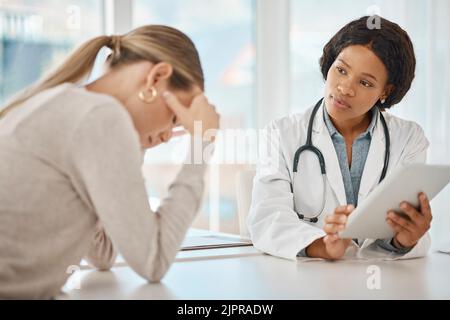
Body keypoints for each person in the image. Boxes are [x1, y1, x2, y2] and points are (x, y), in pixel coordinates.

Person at [0, 25, 220, 299]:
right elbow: (154, 260)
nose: (166, 137)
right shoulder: (99, 116)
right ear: (157, 77)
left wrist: (135, 145)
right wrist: (203, 141)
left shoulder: (73, 105)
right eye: (176, 117)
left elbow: (102, 253)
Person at [248, 16, 432, 261]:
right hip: (308, 283)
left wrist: (405, 240)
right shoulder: (280, 134)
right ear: (330, 63)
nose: (345, 88)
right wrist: (322, 246)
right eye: (341, 70)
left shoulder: (409, 139)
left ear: (386, 92)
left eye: (365, 82)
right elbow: (267, 218)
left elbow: (404, 226)